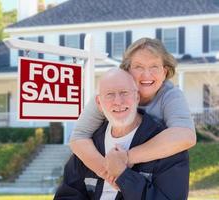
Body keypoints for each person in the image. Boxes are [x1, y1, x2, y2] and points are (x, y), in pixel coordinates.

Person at [69, 38, 196, 182]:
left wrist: (127, 157)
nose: (146, 75)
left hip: (154, 175)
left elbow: (186, 136)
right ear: (127, 70)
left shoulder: (171, 95)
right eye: (139, 67)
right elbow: (79, 137)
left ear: (164, 72)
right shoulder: (110, 92)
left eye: (154, 66)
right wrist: (108, 172)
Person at [54, 68, 189, 200]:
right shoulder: (90, 147)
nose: (118, 101)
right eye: (110, 94)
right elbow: (67, 194)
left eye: (124, 92)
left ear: (137, 97)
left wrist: (123, 176)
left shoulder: (167, 147)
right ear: (99, 103)